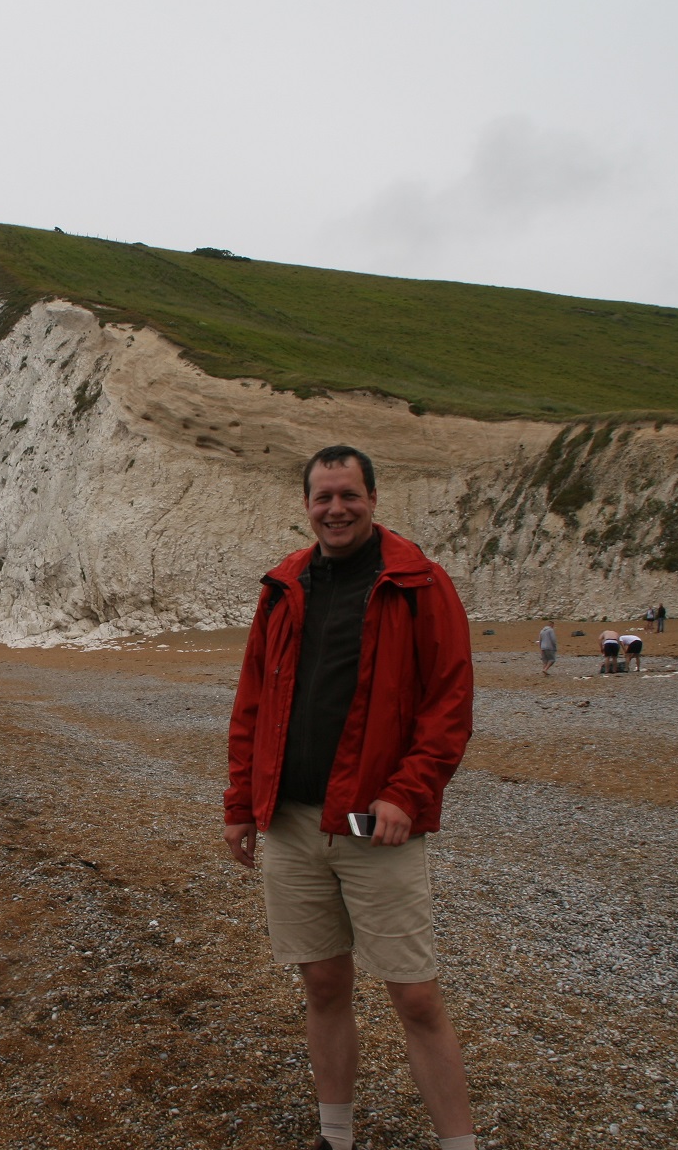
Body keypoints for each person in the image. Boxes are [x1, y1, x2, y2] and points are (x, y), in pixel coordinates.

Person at [223, 445, 476, 1150]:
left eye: (349, 496)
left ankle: (460, 1143)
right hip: (292, 824)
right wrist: (240, 803)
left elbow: (448, 704)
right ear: (307, 505)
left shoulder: (418, 583)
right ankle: (337, 1135)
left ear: (373, 499)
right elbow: (253, 703)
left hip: (377, 827)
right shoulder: (283, 588)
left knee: (416, 994)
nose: (336, 509)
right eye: (323, 497)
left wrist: (407, 793)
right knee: (324, 985)